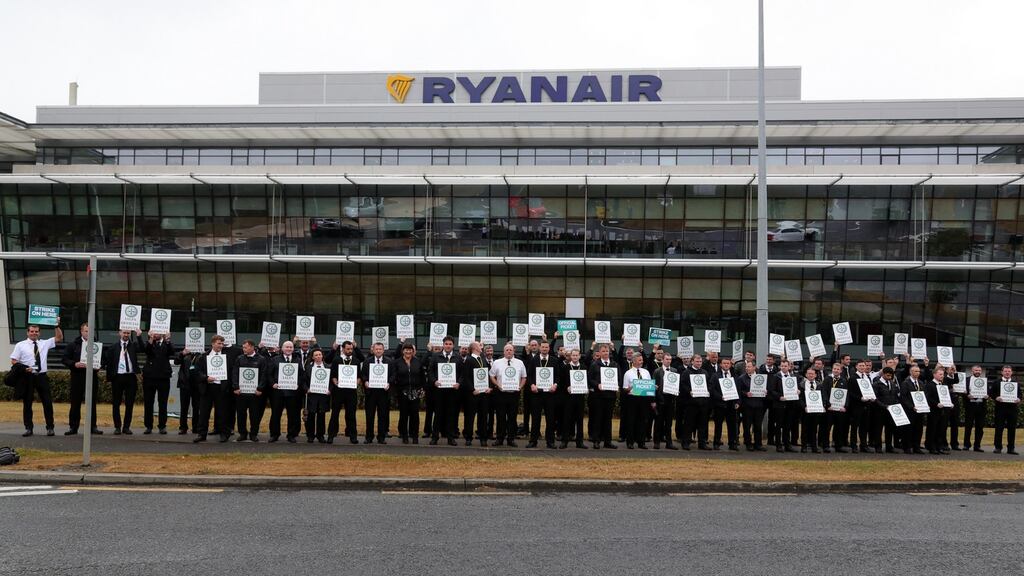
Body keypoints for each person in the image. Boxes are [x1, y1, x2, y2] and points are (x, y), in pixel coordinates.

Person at [10, 321, 64, 437]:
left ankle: (50, 427)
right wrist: (24, 368)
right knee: (27, 403)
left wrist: (56, 325)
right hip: (28, 377)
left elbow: (59, 337)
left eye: (36, 332)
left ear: (39, 333)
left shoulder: (44, 343)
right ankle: (28, 428)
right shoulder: (20, 345)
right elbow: (14, 360)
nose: (34, 333)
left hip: (41, 376)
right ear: (27, 332)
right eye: (32, 331)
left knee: (47, 402)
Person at [193, 334, 239, 443]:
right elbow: (197, 371)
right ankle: (201, 434)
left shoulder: (226, 357)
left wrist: (229, 385)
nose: (221, 345)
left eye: (222, 344)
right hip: (207, 388)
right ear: (213, 343)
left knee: (223, 412)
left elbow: (232, 372)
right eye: (219, 343)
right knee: (204, 412)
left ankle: (224, 434)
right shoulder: (204, 356)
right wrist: (206, 378)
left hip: (222, 388)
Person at [61, 322, 101, 436]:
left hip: (92, 377)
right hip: (77, 376)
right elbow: (64, 359)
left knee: (92, 403)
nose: (88, 333)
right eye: (86, 331)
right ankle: (73, 427)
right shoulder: (73, 345)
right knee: (75, 402)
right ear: (81, 331)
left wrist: (100, 365)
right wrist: (74, 364)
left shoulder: (97, 344)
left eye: (90, 331)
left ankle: (93, 426)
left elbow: (103, 359)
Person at [103, 328, 142, 435]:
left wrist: (139, 336)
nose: (126, 335)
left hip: (130, 377)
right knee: (116, 403)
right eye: (124, 332)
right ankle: (117, 427)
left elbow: (143, 348)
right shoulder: (113, 347)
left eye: (128, 333)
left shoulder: (133, 345)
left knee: (129, 404)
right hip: (117, 378)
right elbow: (108, 363)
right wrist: (109, 377)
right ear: (120, 333)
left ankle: (126, 427)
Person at [490, 343, 527, 447]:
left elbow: (524, 377)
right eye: (507, 350)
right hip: (501, 394)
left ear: (513, 351)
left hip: (514, 394)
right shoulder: (497, 362)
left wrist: (520, 387)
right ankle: (499, 439)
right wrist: (497, 384)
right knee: (500, 417)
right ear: (504, 351)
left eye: (510, 350)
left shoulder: (520, 363)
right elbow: (491, 375)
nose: (509, 352)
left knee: (512, 418)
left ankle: (511, 439)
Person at [527, 341, 562, 449]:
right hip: (537, 394)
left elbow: (558, 376)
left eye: (546, 347)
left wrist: (555, 385)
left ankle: (550, 442)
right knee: (535, 418)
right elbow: (529, 375)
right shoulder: (534, 360)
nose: (545, 349)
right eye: (543, 347)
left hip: (550, 395)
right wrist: (532, 384)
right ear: (539, 348)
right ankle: (533, 441)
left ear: (549, 349)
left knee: (550, 419)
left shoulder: (554, 360)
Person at [142, 330, 176, 435]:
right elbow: (146, 351)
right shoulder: (150, 343)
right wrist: (151, 339)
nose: (156, 334)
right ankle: (148, 426)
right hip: (149, 377)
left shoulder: (167, 343)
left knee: (163, 403)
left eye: (158, 332)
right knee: (148, 403)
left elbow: (172, 352)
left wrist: (168, 339)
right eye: (154, 332)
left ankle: (162, 426)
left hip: (163, 378)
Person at [360, 342, 394, 445]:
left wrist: (389, 383)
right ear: (373, 350)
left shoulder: (389, 362)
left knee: (382, 416)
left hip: (383, 393)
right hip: (371, 393)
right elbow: (363, 374)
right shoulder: (367, 361)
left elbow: (393, 375)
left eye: (380, 349)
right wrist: (365, 381)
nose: (378, 351)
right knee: (369, 416)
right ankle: (369, 437)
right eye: (376, 349)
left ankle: (381, 437)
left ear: (383, 350)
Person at [428, 337, 461, 446]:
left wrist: (459, 383)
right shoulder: (436, 356)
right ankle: (435, 437)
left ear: (453, 345)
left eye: (450, 344)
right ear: (443, 345)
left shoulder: (457, 357)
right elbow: (430, 371)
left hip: (452, 391)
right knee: (438, 415)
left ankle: (450, 438)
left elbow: (462, 374)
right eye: (446, 344)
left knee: (451, 415)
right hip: (439, 391)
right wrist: (434, 381)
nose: (448, 345)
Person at [232, 340, 267, 442]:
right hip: (241, 392)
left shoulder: (261, 359)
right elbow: (235, 373)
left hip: (255, 393)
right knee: (241, 414)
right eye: (243, 347)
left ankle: (253, 434)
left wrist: (260, 388)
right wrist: (236, 387)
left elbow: (263, 375)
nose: (244, 349)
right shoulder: (239, 358)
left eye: (245, 347)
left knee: (254, 415)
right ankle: (242, 433)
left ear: (252, 347)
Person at [327, 340, 359, 445]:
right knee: (335, 414)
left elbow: (359, 376)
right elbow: (333, 375)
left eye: (351, 349)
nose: (350, 351)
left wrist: (357, 382)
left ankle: (353, 436)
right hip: (338, 391)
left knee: (351, 415)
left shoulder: (356, 360)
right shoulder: (337, 360)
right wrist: (335, 382)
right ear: (343, 349)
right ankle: (331, 436)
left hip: (351, 392)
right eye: (348, 349)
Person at [587, 344, 619, 449]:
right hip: (598, 396)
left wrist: (617, 385)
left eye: (607, 351)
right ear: (599, 353)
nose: (605, 353)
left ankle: (607, 441)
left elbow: (619, 378)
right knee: (598, 418)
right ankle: (596, 441)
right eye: (603, 351)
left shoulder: (614, 364)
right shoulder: (594, 364)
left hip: (610, 396)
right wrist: (597, 385)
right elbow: (589, 379)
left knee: (608, 419)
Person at [461, 341, 491, 447]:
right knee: (470, 416)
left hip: (483, 394)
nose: (481, 346)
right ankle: (468, 438)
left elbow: (487, 375)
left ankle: (483, 438)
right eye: (479, 345)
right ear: (474, 348)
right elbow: (466, 377)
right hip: (472, 394)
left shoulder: (482, 359)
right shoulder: (468, 360)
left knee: (483, 417)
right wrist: (472, 389)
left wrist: (489, 387)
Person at [394, 343, 425, 444]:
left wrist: (422, 389)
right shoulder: (397, 362)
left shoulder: (417, 362)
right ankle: (404, 436)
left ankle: (415, 436)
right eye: (406, 350)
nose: (408, 351)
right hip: (402, 392)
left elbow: (422, 377)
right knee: (403, 415)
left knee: (415, 415)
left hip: (415, 392)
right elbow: (394, 377)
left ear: (413, 351)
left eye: (410, 350)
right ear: (403, 351)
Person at [559, 348, 588, 449]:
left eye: (577, 355)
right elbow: (561, 382)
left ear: (579, 356)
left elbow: (586, 381)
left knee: (579, 420)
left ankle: (579, 442)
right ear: (570, 356)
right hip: (568, 398)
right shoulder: (565, 367)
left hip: (580, 398)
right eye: (573, 355)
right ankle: (564, 441)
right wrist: (566, 387)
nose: (575, 357)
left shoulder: (584, 367)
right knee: (567, 419)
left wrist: (586, 388)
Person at [622, 353, 653, 449]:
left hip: (644, 399)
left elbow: (649, 386)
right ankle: (630, 442)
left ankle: (641, 442)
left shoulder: (646, 372)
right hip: (632, 399)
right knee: (631, 420)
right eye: (640, 360)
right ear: (634, 361)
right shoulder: (628, 373)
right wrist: (631, 387)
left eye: (642, 360)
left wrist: (653, 387)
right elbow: (624, 388)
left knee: (643, 421)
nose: (642, 361)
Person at [767, 359, 798, 453]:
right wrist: (779, 397)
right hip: (779, 405)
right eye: (782, 366)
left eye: (785, 366)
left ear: (789, 367)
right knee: (779, 425)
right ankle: (778, 445)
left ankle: (787, 444)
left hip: (790, 404)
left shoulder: (792, 377)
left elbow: (796, 388)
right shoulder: (776, 376)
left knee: (788, 425)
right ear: (780, 366)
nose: (784, 367)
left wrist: (798, 391)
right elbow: (771, 390)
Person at [710, 357, 740, 451]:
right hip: (720, 405)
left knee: (732, 425)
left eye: (728, 363)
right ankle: (716, 443)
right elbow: (712, 389)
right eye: (724, 363)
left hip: (731, 405)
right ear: (721, 365)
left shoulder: (734, 376)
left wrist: (738, 402)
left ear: (730, 365)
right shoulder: (715, 376)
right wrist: (720, 397)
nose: (726, 365)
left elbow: (738, 390)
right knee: (718, 425)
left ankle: (732, 444)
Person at [991, 365, 1021, 455]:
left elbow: (1020, 395)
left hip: (1012, 409)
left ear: (1011, 372)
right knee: (999, 428)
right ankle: (998, 447)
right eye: (1005, 371)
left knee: (1012, 429)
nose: (1007, 373)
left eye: (1009, 371)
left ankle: (1011, 448)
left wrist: (1019, 399)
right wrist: (996, 397)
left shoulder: (1016, 383)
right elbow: (991, 393)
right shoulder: (996, 382)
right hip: (1000, 409)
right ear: (1002, 372)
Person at [737, 361, 767, 451]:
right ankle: (748, 443)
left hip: (759, 405)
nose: (747, 368)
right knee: (747, 425)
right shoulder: (741, 378)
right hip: (747, 406)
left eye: (749, 367)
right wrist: (746, 393)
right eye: (746, 366)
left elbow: (766, 388)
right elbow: (739, 391)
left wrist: (765, 391)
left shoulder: (761, 378)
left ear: (754, 368)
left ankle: (758, 444)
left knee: (758, 426)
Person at [799, 367, 829, 453]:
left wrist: (823, 405)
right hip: (806, 411)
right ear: (806, 375)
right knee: (804, 429)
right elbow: (800, 398)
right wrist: (804, 407)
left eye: (812, 374)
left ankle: (814, 447)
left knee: (814, 429)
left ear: (815, 375)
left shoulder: (819, 385)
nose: (810, 375)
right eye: (809, 373)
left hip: (816, 410)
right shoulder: (802, 385)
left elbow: (823, 396)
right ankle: (804, 446)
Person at [653, 352, 679, 450]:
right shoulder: (657, 371)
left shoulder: (674, 371)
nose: (668, 361)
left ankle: (669, 443)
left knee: (669, 423)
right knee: (658, 422)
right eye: (667, 359)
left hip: (670, 400)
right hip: (660, 400)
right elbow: (654, 387)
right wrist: (654, 400)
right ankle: (657, 442)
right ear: (663, 360)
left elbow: (676, 384)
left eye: (670, 359)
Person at [872, 366, 901, 453]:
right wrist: (885, 406)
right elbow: (875, 399)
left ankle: (889, 446)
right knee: (878, 429)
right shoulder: (876, 384)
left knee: (890, 429)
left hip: (891, 410)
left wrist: (895, 405)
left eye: (891, 376)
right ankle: (878, 446)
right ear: (883, 374)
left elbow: (895, 396)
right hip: (880, 411)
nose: (889, 377)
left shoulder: (892, 383)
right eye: (888, 375)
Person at [303, 349, 330, 443]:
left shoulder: (328, 367)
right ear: (313, 357)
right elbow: (303, 381)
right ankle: (310, 436)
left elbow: (331, 382)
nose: (318, 356)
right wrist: (307, 389)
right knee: (310, 416)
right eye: (316, 355)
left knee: (321, 416)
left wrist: (330, 390)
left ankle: (320, 435)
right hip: (312, 396)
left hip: (323, 396)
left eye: (320, 354)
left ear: (322, 356)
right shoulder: (308, 367)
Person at [899, 364, 927, 454]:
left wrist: (925, 405)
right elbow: (903, 397)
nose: (918, 373)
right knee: (908, 429)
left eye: (919, 371)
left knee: (918, 429)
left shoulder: (921, 383)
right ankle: (907, 447)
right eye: (916, 371)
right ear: (911, 372)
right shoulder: (905, 383)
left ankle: (916, 447)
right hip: (910, 410)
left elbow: (924, 396)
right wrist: (911, 406)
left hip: (920, 410)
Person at [924, 366, 950, 455]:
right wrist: (936, 404)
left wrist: (950, 403)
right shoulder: (930, 385)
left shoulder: (943, 386)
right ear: (934, 374)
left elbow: (946, 397)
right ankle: (931, 447)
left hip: (942, 412)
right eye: (940, 374)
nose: (942, 376)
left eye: (943, 374)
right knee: (932, 429)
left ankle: (939, 447)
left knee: (941, 430)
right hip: (933, 411)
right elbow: (927, 398)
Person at [175, 346, 202, 435]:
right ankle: (183, 427)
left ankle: (196, 427)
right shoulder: (184, 353)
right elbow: (176, 361)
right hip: (185, 384)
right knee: (184, 407)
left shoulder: (201, 354)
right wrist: (182, 354)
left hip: (197, 385)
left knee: (197, 407)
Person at [822, 363, 848, 453]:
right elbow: (824, 392)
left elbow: (846, 394)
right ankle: (825, 446)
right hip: (829, 409)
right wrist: (828, 405)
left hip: (839, 409)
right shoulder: (827, 379)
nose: (836, 370)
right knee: (827, 428)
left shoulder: (843, 380)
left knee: (839, 428)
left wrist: (845, 406)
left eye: (838, 369)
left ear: (841, 370)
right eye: (834, 369)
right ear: (832, 369)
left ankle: (838, 446)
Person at [962, 364, 988, 452]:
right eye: (976, 370)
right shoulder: (966, 380)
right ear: (972, 371)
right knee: (968, 426)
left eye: (979, 370)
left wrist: (987, 396)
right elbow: (963, 393)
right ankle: (966, 445)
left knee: (980, 427)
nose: (978, 372)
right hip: (970, 406)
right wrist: (967, 395)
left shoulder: (984, 381)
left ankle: (977, 446)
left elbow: (989, 392)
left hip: (981, 406)